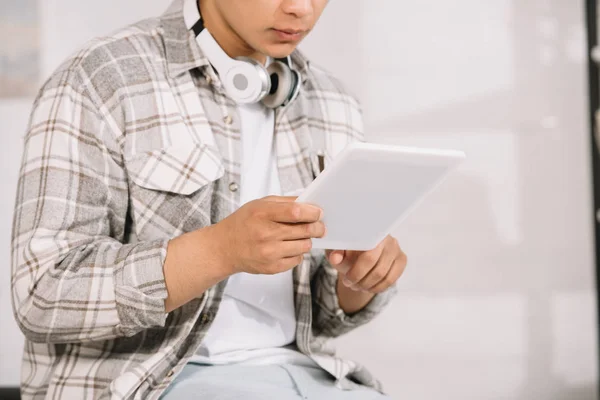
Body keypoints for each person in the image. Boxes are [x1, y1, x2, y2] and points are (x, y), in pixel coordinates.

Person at [10, 0, 408, 398]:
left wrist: (358, 280)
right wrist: (220, 250)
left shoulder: (334, 103)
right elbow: (42, 296)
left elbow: (322, 321)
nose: (301, 9)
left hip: (308, 375)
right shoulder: (103, 77)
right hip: (149, 383)